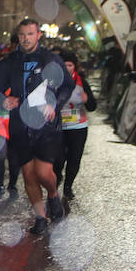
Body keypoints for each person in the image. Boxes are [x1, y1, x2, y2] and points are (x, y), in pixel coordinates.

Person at [0, 19, 74, 234]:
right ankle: (40, 218)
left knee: (43, 173)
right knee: (28, 175)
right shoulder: (9, 61)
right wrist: (3, 102)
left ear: (39, 35)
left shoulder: (50, 59)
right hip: (19, 124)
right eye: (23, 34)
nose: (26, 38)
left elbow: (66, 86)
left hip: (46, 125)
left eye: (30, 34)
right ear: (18, 36)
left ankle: (53, 196)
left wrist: (55, 105)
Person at [54, 51, 96, 200]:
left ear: (75, 67)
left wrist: (87, 99)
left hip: (78, 128)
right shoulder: (54, 82)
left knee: (74, 159)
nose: (67, 68)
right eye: (64, 65)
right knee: (58, 160)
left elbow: (92, 106)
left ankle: (68, 187)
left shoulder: (82, 83)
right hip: (58, 128)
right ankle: (57, 178)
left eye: (70, 65)